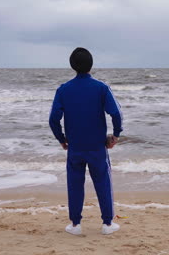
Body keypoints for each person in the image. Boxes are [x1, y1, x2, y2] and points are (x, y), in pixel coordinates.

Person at [49, 47, 123, 235]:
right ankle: (107, 224)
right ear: (91, 64)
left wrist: (61, 139)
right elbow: (116, 113)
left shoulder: (63, 90)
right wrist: (115, 135)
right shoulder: (101, 88)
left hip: (75, 147)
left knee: (74, 184)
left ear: (72, 66)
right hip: (97, 147)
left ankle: (75, 225)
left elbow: (53, 119)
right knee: (103, 182)